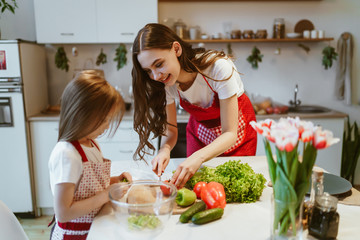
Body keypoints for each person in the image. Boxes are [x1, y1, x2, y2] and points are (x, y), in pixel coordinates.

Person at [131, 23, 257, 188]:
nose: (155, 76)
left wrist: (198, 157)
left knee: (235, 186)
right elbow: (171, 132)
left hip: (237, 135)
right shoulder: (167, 84)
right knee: (197, 187)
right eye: (148, 71)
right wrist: (164, 150)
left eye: (159, 64)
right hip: (201, 134)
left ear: (176, 49)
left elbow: (230, 133)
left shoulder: (218, 68)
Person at [48, 70, 132, 239]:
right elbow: (64, 212)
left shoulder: (91, 143)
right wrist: (107, 194)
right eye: (103, 120)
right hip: (74, 235)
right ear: (81, 115)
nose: (107, 126)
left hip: (94, 228)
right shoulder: (67, 155)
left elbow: (86, 188)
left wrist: (114, 181)